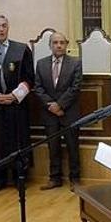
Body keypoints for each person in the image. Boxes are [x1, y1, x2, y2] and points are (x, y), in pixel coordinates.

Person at [0, 14, 34, 192]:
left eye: (4, 26)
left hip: (16, 104)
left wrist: (14, 95)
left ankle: (19, 177)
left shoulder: (22, 49)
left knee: (17, 139)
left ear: (8, 28)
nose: (1, 29)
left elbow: (29, 78)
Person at [34, 32, 82, 191]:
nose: (59, 45)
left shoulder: (75, 63)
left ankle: (75, 179)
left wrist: (60, 105)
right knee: (52, 147)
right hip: (49, 114)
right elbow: (38, 88)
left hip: (69, 112)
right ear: (50, 45)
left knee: (72, 147)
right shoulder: (40, 64)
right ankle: (55, 178)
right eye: (55, 42)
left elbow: (75, 88)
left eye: (62, 42)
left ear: (66, 44)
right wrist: (51, 106)